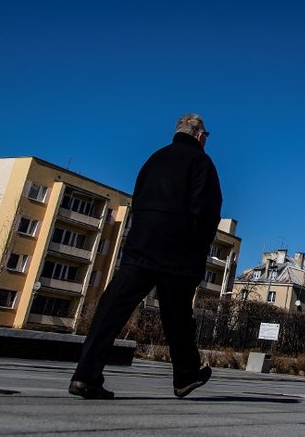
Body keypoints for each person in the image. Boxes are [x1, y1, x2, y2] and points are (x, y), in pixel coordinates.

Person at [69, 113, 223, 399]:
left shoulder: (155, 159)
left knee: (112, 308)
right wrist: (199, 247)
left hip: (142, 244)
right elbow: (207, 211)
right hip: (178, 250)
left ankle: (85, 374)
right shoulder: (201, 162)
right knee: (177, 315)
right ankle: (186, 375)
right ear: (200, 136)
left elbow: (137, 200)